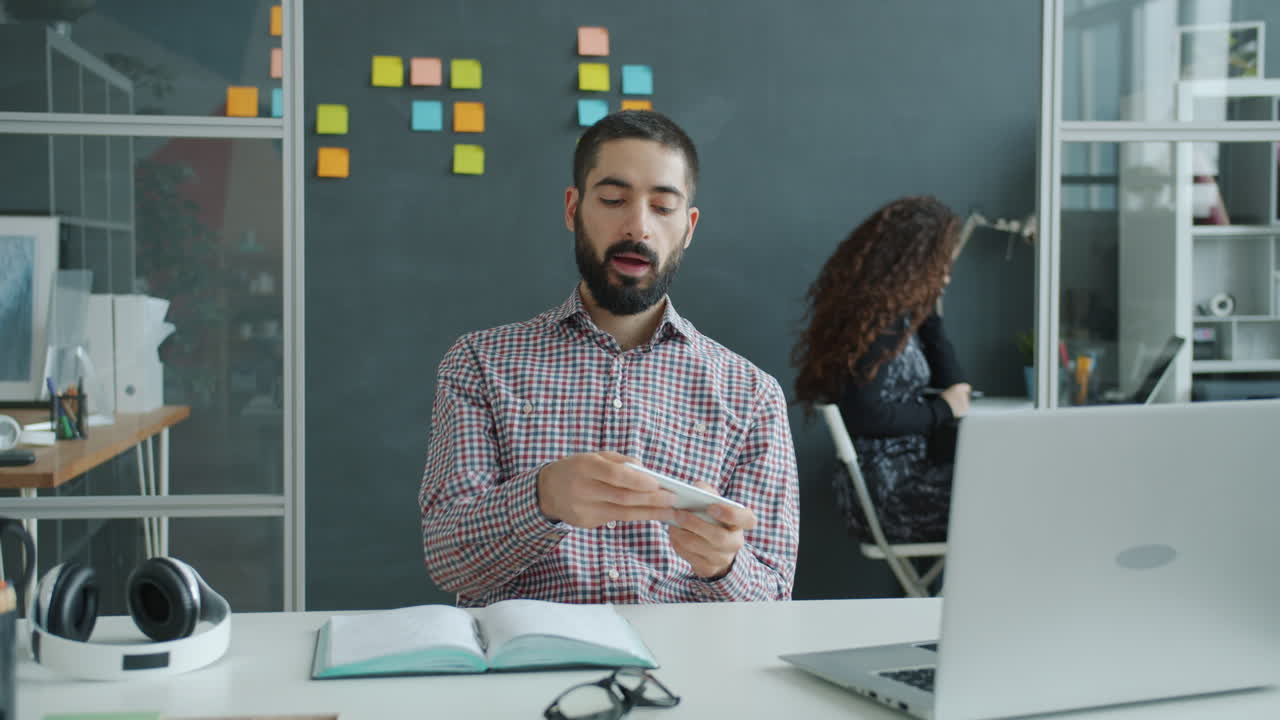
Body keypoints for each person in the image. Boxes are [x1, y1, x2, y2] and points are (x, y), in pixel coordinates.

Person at [419, 111, 799, 607]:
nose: (637, 225)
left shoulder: (751, 395)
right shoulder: (479, 364)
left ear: (689, 227)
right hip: (521, 669)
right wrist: (543, 499)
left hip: (681, 672)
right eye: (614, 200)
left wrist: (724, 565)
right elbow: (448, 561)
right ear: (573, 208)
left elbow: (774, 599)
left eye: (663, 207)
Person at [792, 195, 971, 544]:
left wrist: (928, 311)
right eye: (941, 268)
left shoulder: (896, 317)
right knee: (1012, 504)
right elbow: (866, 415)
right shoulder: (876, 326)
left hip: (912, 477)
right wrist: (943, 409)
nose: (946, 279)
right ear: (913, 264)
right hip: (892, 491)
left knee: (1012, 496)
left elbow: (956, 383)